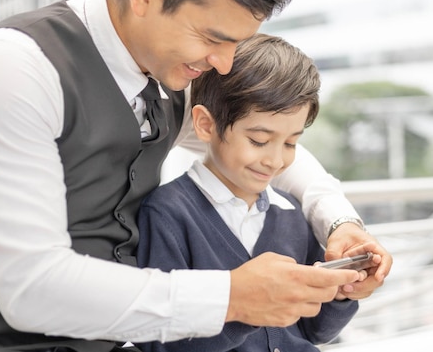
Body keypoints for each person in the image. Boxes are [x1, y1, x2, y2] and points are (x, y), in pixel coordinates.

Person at [0, 0, 391, 350]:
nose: (223, 64)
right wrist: (232, 297)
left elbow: (264, 145)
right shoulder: (14, 67)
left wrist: (339, 223)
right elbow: (29, 288)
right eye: (212, 38)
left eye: (237, 44)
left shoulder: (173, 78)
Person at [137, 34, 371, 352]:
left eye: (290, 143)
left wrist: (341, 291)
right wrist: (241, 308)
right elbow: (159, 344)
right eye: (259, 140)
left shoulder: (290, 212)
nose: (276, 161)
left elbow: (315, 331)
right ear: (205, 125)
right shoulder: (167, 214)